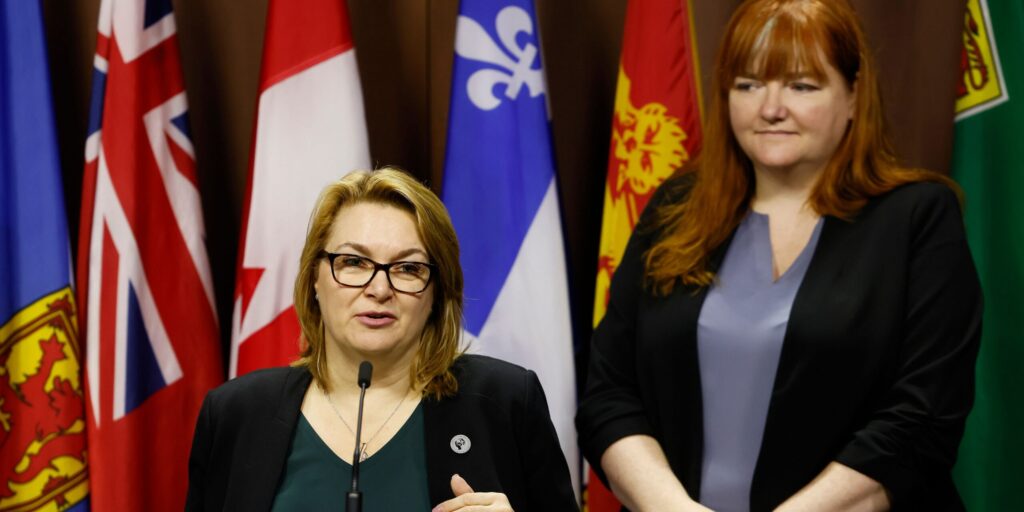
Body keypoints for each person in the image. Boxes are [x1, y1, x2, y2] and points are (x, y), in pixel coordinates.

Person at [576, 0, 982, 510]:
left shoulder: (919, 217)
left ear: (854, 96)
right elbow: (608, 394)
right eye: (748, 84)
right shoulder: (674, 209)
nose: (770, 107)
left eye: (801, 86)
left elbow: (923, 417)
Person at [186, 168, 577, 511]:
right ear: (315, 280)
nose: (379, 288)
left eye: (407, 268)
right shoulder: (235, 414)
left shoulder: (505, 401)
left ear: (437, 292)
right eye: (354, 262)